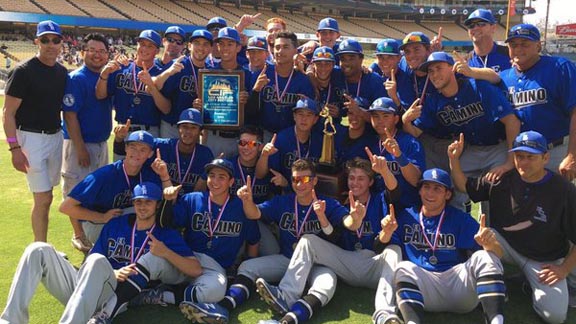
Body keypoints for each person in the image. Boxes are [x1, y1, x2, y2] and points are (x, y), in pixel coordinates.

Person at [181, 159, 366, 323]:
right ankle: (223, 307)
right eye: (295, 179)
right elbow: (254, 213)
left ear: (315, 181)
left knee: (327, 284)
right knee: (248, 267)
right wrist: (247, 200)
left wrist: (356, 219)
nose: (299, 184)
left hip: (318, 264)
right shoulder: (283, 201)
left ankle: (287, 319)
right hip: (287, 259)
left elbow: (347, 222)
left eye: (305, 179)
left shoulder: (327, 203)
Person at [0, 182, 199, 324]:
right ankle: (11, 320)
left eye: (148, 202)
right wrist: (112, 272)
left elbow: (195, 269)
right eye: (138, 201)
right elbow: (89, 264)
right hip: (87, 285)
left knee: (96, 260)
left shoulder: (165, 233)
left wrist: (165, 253)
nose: (142, 206)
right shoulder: (116, 224)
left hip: (112, 295)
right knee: (38, 249)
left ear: (157, 204)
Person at [449, 130, 576, 323]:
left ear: (545, 158)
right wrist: (454, 159)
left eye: (530, 157)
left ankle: (527, 282)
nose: (523, 162)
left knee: (555, 316)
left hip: (544, 260)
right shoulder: (502, 178)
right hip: (505, 247)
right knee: (483, 237)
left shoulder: (564, 189)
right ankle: (492, 287)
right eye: (519, 156)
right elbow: (463, 187)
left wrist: (564, 269)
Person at [254, 156, 400, 324]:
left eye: (361, 178)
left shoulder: (380, 200)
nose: (355, 182)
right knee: (309, 239)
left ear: (371, 182)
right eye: (352, 178)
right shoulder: (341, 205)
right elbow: (334, 236)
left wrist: (384, 171)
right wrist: (342, 218)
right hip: (348, 262)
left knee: (394, 250)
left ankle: (384, 314)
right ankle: (286, 295)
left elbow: (395, 193)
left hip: (375, 264)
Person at [372, 168, 506, 324]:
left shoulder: (459, 219)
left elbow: (498, 255)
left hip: (456, 285)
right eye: (426, 187)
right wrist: (386, 233)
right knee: (404, 268)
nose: (430, 193)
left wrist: (490, 244)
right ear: (420, 191)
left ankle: (496, 321)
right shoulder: (406, 217)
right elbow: (378, 249)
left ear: (447, 194)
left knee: (484, 256)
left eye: (437, 188)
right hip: (423, 288)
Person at [402, 52, 520, 211]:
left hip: (497, 146)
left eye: (439, 68)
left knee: (496, 192)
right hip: (470, 149)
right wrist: (405, 121)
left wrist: (510, 161)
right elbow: (415, 133)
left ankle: (494, 232)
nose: (435, 74)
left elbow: (512, 121)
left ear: (453, 68)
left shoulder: (478, 87)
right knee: (452, 189)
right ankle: (456, 231)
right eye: (431, 71)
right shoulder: (434, 101)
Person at [3, 20, 68, 242]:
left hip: (55, 137)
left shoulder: (62, 72)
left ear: (62, 43)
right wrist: (14, 148)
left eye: (55, 40)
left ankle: (42, 247)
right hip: (30, 139)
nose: (51, 44)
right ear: (37, 42)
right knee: (42, 198)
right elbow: (8, 113)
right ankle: (40, 248)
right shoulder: (23, 71)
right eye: (45, 40)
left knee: (48, 196)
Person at [59, 130, 170, 245]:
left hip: (125, 217)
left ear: (150, 154)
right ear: (126, 148)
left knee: (151, 212)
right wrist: (102, 217)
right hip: (98, 222)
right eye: (133, 147)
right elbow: (66, 207)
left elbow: (168, 202)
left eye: (143, 150)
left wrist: (164, 176)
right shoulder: (103, 175)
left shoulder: (148, 174)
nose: (137, 153)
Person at [499, 24, 576, 180]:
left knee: (560, 202)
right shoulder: (503, 78)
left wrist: (572, 155)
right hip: (521, 156)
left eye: (525, 44)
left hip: (555, 150)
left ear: (538, 45)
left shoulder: (560, 68)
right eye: (513, 45)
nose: (518, 49)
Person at [61, 33, 113, 253]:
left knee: (98, 190)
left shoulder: (106, 77)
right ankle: (78, 234)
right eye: (92, 50)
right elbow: (70, 116)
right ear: (82, 53)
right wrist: (80, 147)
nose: (97, 55)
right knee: (75, 190)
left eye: (101, 51)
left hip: (101, 143)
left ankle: (91, 231)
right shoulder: (76, 78)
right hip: (78, 144)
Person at [96, 29, 171, 144]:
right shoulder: (121, 68)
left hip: (149, 132)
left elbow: (166, 109)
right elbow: (100, 95)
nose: (144, 49)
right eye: (142, 44)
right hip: (122, 131)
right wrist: (104, 74)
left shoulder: (160, 74)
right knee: (120, 162)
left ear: (157, 51)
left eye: (150, 46)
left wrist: (152, 86)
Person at [249, 31, 315, 140]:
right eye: (277, 47)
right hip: (263, 133)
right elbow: (250, 112)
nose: (280, 51)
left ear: (295, 50)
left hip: (291, 135)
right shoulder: (262, 73)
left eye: (285, 47)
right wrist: (256, 91)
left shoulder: (303, 80)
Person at [366, 97, 425, 209]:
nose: (380, 121)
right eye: (375, 116)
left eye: (385, 116)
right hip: (379, 205)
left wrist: (399, 156)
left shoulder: (409, 142)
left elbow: (416, 180)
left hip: (407, 206)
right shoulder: (370, 143)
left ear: (396, 119)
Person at [154, 29, 213, 139]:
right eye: (197, 43)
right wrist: (167, 73)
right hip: (172, 125)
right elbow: (156, 87)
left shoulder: (211, 71)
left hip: (194, 127)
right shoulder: (177, 64)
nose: (201, 48)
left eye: (205, 44)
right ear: (189, 46)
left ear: (211, 49)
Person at [255, 98, 324, 189]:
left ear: (315, 119)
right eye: (300, 114)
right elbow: (259, 175)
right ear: (294, 116)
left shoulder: (319, 140)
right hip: (285, 192)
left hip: (310, 192)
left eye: (309, 115)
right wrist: (264, 156)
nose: (304, 119)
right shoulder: (281, 138)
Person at [153, 108, 214, 194]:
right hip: (164, 201)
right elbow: (141, 141)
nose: (188, 131)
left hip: (190, 203)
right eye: (184, 127)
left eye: (193, 128)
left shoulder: (205, 154)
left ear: (200, 131)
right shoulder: (164, 145)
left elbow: (201, 191)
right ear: (178, 128)